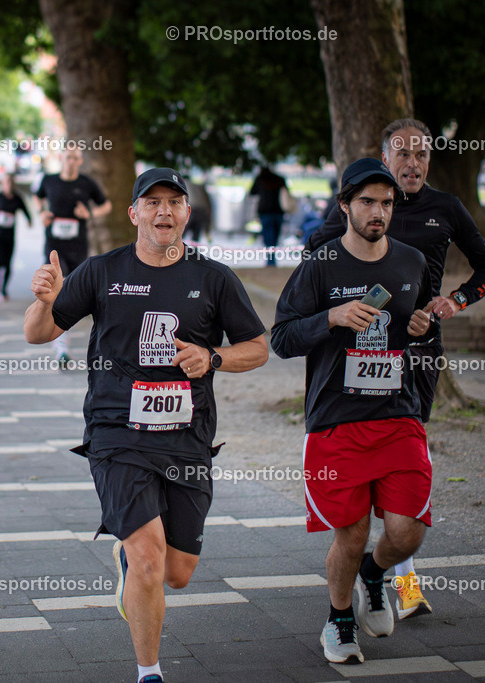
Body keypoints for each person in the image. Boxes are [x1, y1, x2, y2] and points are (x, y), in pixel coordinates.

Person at [24, 168, 267, 683]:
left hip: (187, 436)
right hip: (118, 433)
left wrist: (214, 358)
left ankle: (132, 564)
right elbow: (37, 333)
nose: (164, 212)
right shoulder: (103, 270)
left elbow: (258, 347)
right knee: (151, 559)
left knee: (176, 573)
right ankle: (149, 671)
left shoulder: (214, 276)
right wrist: (45, 301)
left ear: (186, 213)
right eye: (152, 202)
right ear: (133, 213)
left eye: (174, 202)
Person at [306, 119, 485, 618]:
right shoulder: (359, 203)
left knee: (405, 456)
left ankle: (388, 568)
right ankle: (386, 574)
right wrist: (341, 304)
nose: (413, 163)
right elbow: (313, 258)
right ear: (384, 159)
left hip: (417, 351)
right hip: (355, 351)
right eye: (402, 153)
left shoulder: (445, 207)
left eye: (422, 155)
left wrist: (455, 301)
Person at [271, 158, 434, 665]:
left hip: (398, 413)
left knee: (408, 531)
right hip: (337, 419)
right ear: (344, 205)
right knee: (353, 530)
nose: (378, 211)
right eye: (367, 201)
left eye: (386, 203)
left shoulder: (411, 261)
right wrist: (332, 317)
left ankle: (374, 572)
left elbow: (420, 326)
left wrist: (422, 327)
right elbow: (281, 338)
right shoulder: (319, 264)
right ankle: (339, 617)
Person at [34, 148, 112, 365]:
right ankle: (60, 346)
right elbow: (37, 197)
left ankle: (90, 343)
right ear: (61, 159)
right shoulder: (48, 180)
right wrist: (42, 213)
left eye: (75, 158)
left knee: (76, 291)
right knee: (56, 290)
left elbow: (106, 205)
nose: (71, 162)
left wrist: (89, 215)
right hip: (54, 245)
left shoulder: (86, 183)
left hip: (78, 246)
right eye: (68, 157)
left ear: (80, 161)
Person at [0, 173, 32, 300]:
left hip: (10, 234)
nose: (8, 184)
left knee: (8, 262)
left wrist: (29, 221)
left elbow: (26, 211)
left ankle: (4, 289)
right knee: (0, 260)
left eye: (10, 182)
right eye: (6, 181)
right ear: (2, 183)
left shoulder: (17, 198)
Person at [249, 166, 287, 266]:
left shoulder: (260, 180)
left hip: (265, 212)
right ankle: (272, 260)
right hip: (278, 212)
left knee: (268, 238)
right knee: (275, 237)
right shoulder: (279, 179)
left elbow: (252, 192)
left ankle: (270, 261)